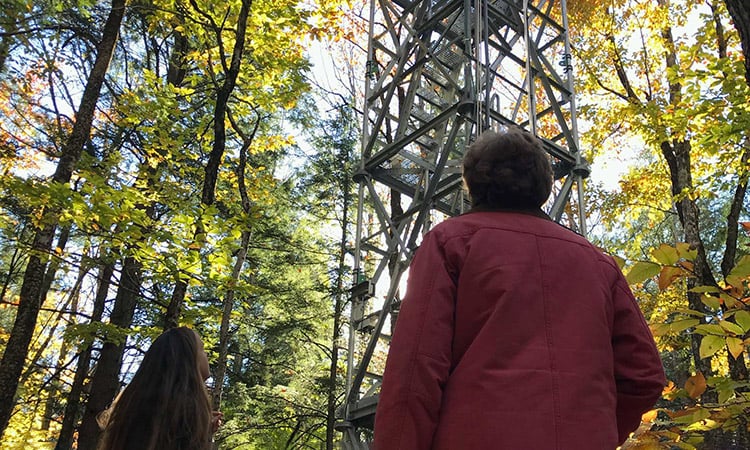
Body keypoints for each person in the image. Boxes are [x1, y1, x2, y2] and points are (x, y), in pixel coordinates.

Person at [373, 128, 666, 449]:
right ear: (544, 186)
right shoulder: (598, 263)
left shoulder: (451, 242)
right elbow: (644, 377)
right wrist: (595, 429)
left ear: (472, 184)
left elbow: (415, 370)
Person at [98, 326, 222, 450]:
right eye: (202, 349)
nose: (206, 355)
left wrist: (204, 430)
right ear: (188, 360)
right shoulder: (185, 410)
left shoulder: (136, 405)